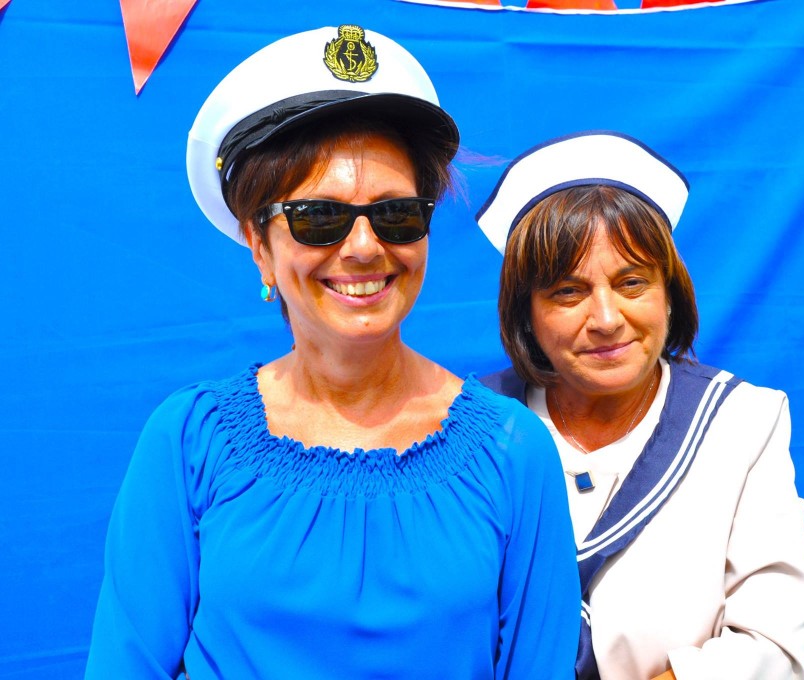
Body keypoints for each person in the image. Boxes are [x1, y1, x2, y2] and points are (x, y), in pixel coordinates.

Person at [85, 25, 579, 680]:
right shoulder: (189, 442)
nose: (365, 247)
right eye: (319, 217)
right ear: (259, 245)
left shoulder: (513, 452)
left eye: (396, 214)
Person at [477, 131, 804, 680]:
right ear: (526, 313)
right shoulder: (476, 428)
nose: (606, 318)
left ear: (669, 291)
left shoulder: (740, 423)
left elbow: (773, 643)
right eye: (568, 291)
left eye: (632, 282)